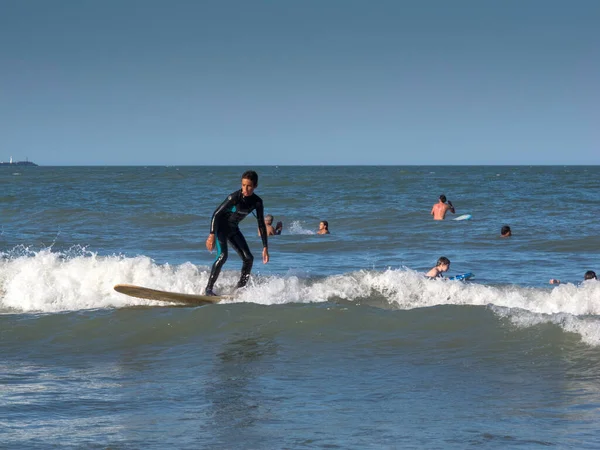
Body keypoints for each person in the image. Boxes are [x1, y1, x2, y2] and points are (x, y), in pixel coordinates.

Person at [204, 170, 269, 296]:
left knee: (249, 259)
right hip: (221, 228)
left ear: (255, 186)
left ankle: (239, 290)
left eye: (249, 186)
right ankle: (208, 289)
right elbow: (216, 214)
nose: (245, 188)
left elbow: (261, 224)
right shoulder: (234, 197)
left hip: (233, 229)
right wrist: (211, 234)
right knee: (223, 256)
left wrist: (265, 247)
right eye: (243, 185)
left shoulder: (257, 202)